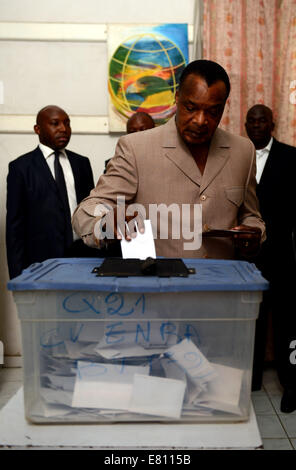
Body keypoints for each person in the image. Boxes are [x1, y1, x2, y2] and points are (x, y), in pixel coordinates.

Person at [73, 60, 265, 261]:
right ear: (177, 98)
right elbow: (87, 210)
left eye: (212, 112)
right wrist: (105, 222)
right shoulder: (135, 149)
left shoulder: (243, 151)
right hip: (158, 287)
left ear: (223, 108)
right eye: (191, 108)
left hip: (225, 286)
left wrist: (253, 232)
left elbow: (251, 215)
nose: (200, 120)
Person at [6, 105, 96, 279]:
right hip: (40, 263)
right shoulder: (21, 168)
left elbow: (90, 211)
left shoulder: (81, 163)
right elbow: (15, 226)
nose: (63, 129)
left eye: (67, 123)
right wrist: (17, 275)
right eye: (55, 123)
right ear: (37, 129)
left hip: (83, 258)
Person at [245, 104, 296, 412]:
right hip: (246, 257)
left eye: (262, 120)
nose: (257, 125)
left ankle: (291, 384)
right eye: (251, 121)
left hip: (282, 255)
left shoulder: (292, 157)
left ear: (272, 124)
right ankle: (248, 381)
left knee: (288, 321)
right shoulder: (234, 155)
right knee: (250, 319)